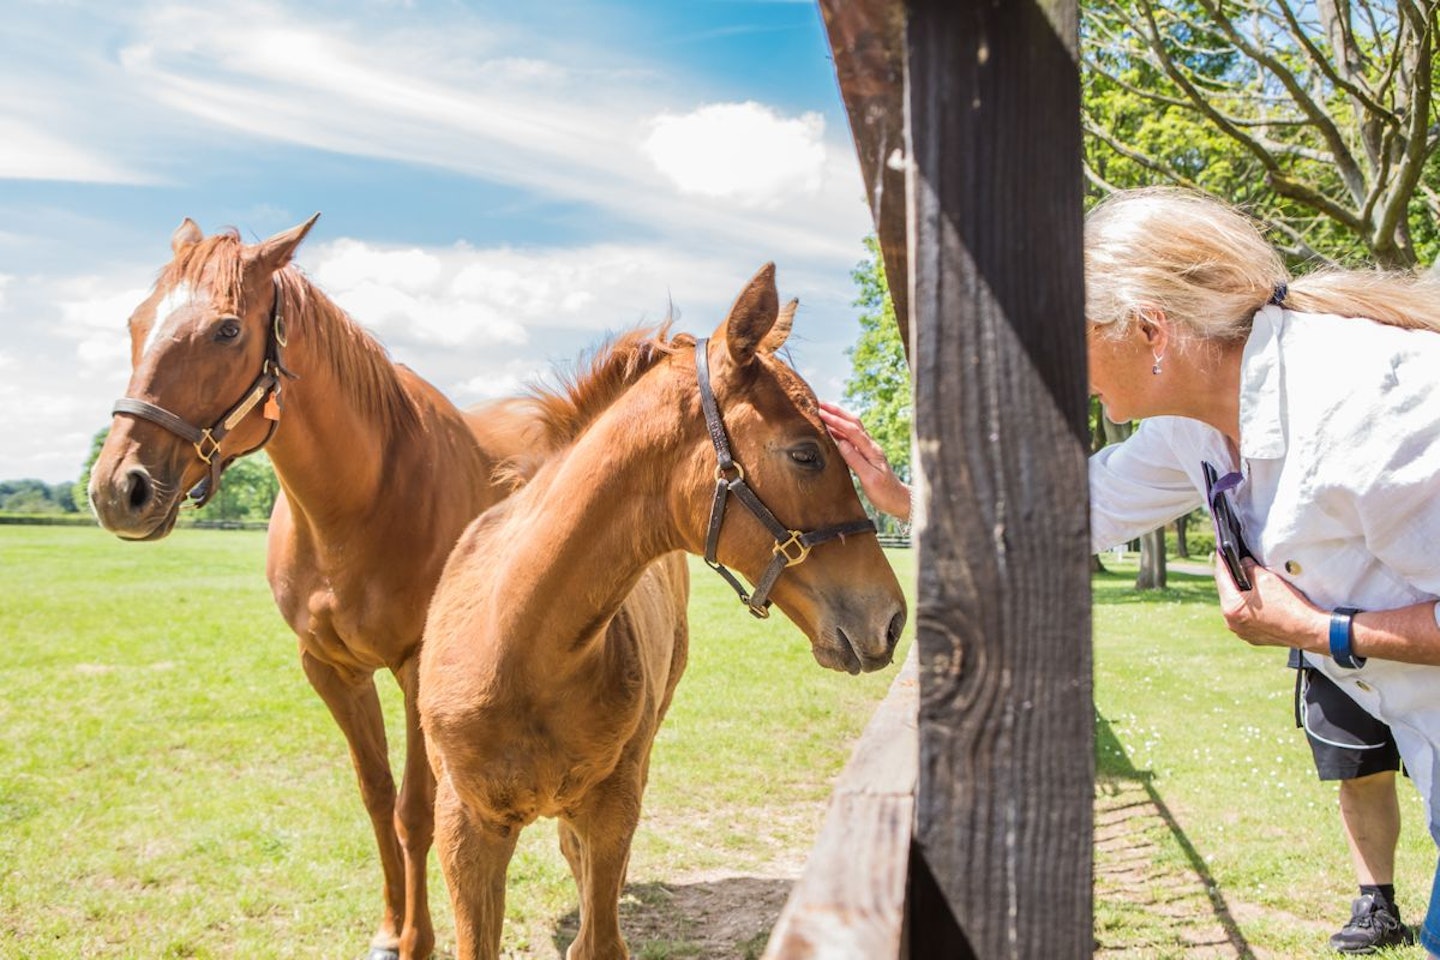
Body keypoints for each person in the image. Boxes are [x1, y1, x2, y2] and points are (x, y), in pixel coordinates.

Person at [820, 185, 1440, 957]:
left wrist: (1321, 631)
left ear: (1150, 328)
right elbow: (1068, 507)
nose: (1073, 375)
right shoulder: (1197, 422)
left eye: (1073, 337)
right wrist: (904, 497)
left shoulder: (1380, 410)